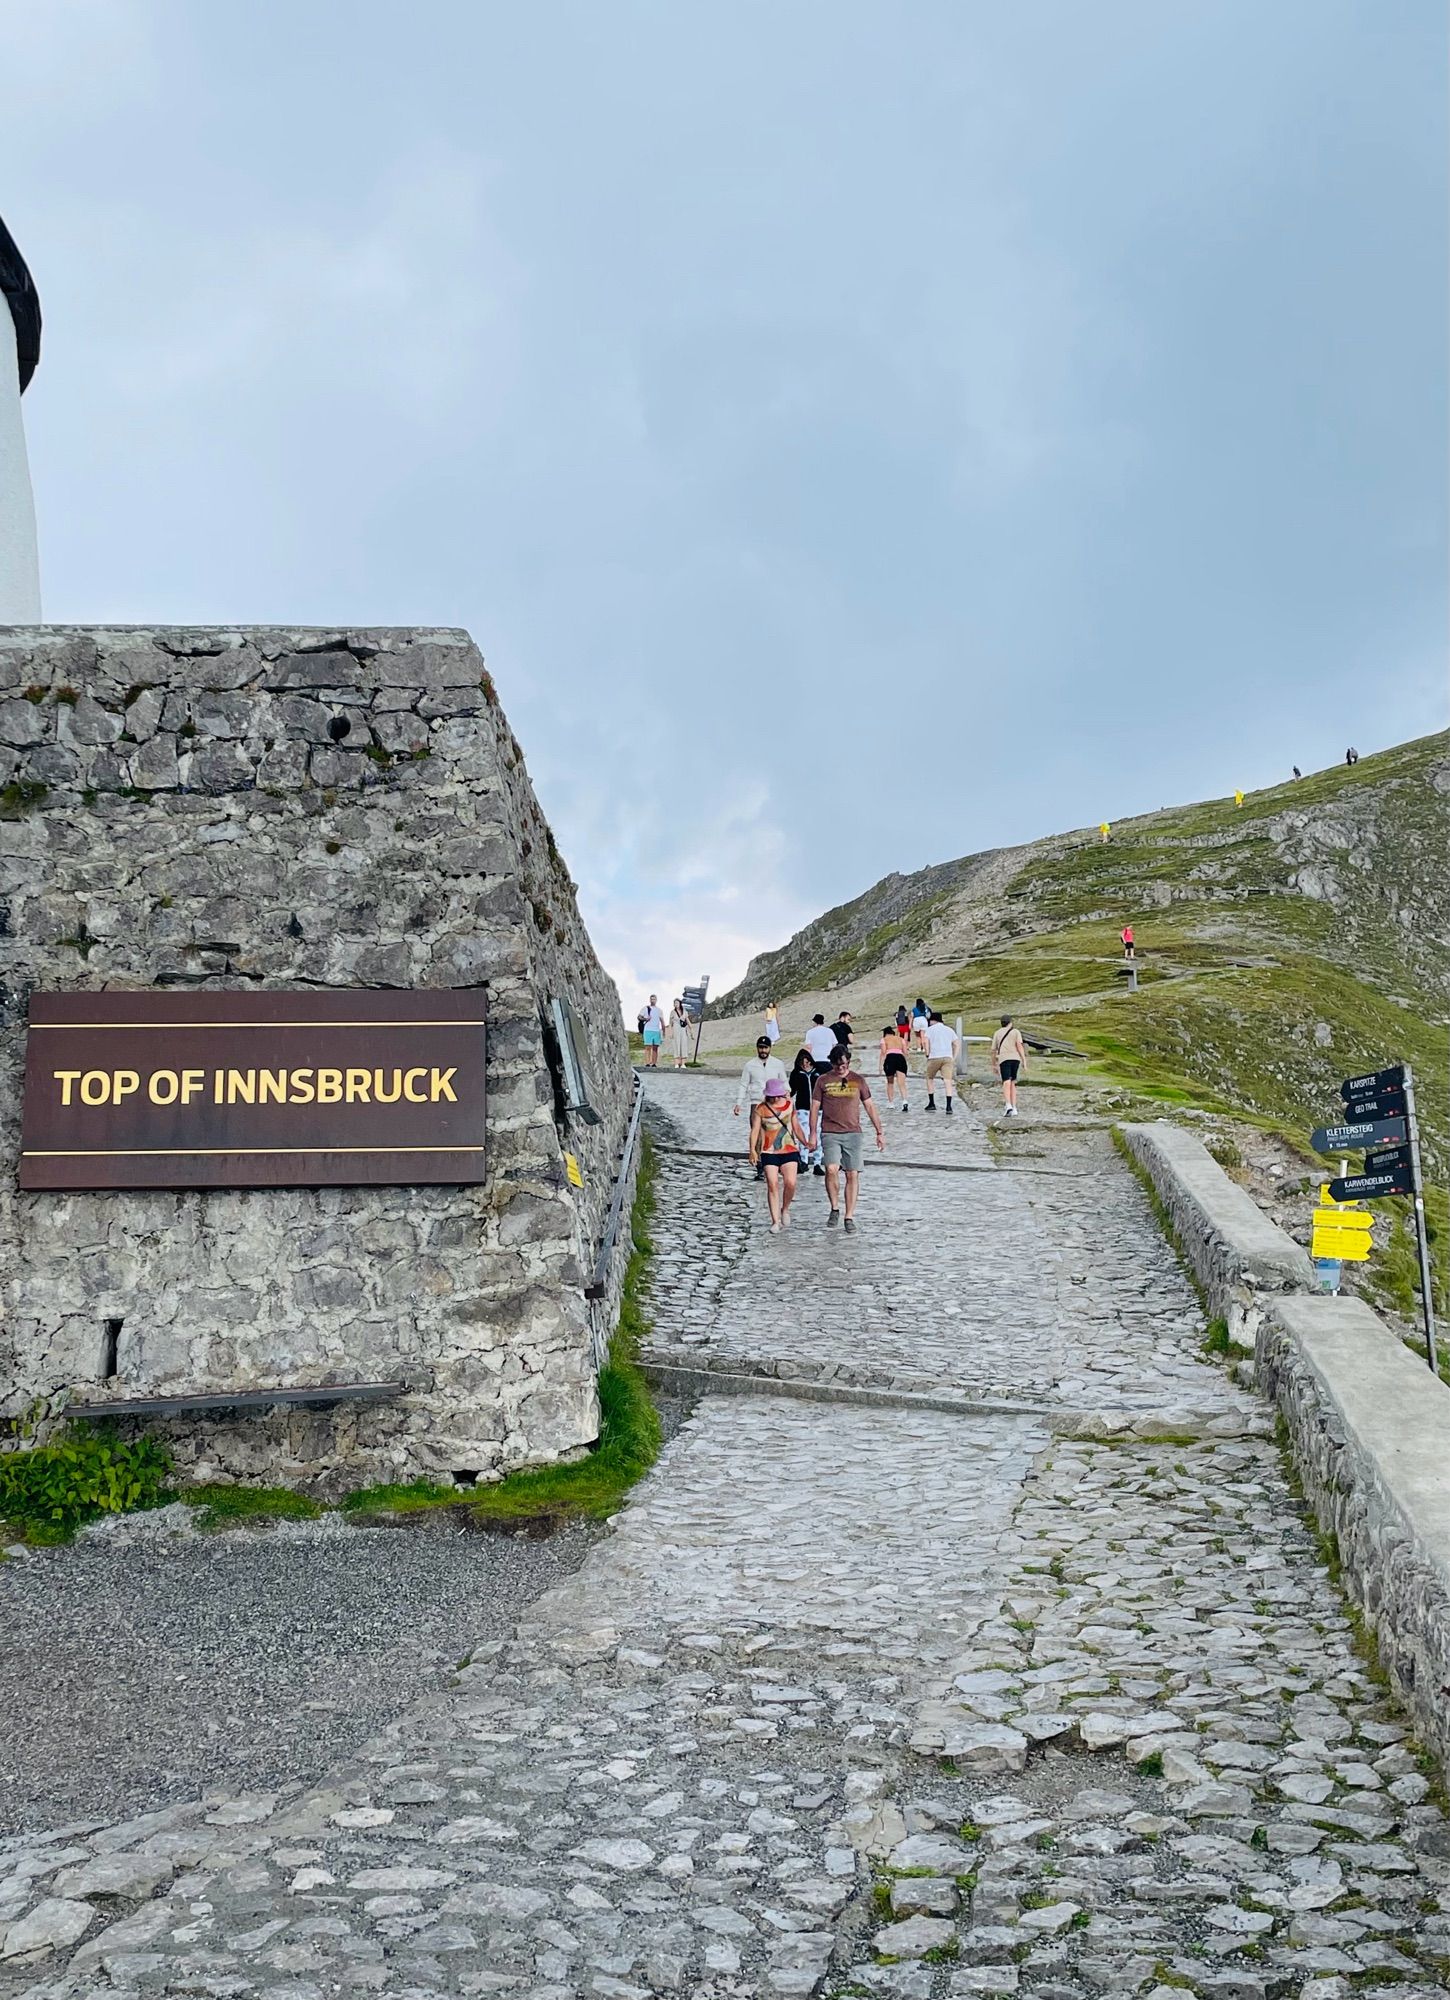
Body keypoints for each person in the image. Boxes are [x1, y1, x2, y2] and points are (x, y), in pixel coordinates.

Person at [809, 1045, 885, 1232]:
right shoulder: (822, 1080)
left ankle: (849, 1216)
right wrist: (812, 1133)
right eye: (836, 1066)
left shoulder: (858, 1080)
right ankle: (835, 1207)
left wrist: (879, 1131)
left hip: (853, 1133)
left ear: (848, 1061)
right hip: (830, 1131)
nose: (840, 1069)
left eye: (843, 1065)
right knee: (831, 1169)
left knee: (852, 1174)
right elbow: (814, 1108)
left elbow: (869, 1106)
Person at [748, 1078, 805, 1232]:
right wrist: (752, 1149)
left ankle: (785, 1208)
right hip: (769, 1150)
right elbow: (755, 1130)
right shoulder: (761, 1109)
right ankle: (775, 1220)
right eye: (773, 1096)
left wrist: (805, 1142)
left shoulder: (789, 1106)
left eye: (778, 1095)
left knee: (790, 1182)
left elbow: (796, 1126)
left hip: (789, 1149)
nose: (776, 1098)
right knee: (772, 1184)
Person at [735, 1034, 788, 1177]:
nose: (763, 1050)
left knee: (774, 1134)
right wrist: (739, 1102)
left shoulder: (777, 1064)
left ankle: (774, 1162)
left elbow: (784, 1082)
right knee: (757, 1134)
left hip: (773, 1103)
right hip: (757, 1102)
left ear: (770, 1048)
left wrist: (787, 1098)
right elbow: (744, 1084)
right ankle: (759, 1164)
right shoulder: (750, 1065)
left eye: (765, 1048)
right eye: (760, 1048)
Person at [787, 1046, 824, 1175]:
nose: (805, 1064)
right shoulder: (796, 1074)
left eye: (807, 1061)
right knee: (803, 1134)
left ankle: (817, 1163)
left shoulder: (818, 1072)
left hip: (818, 1108)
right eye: (802, 1062)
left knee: (818, 1135)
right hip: (802, 1108)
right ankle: (803, 1160)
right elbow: (791, 1090)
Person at [923, 1011, 960, 1114]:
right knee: (947, 1081)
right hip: (947, 1057)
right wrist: (954, 1057)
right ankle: (948, 1106)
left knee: (930, 1078)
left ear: (933, 1020)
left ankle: (932, 1103)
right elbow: (957, 1043)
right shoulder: (949, 1030)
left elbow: (925, 1042)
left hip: (934, 1056)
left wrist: (927, 1053)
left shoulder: (929, 1030)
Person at [991, 1014, 1027, 1117]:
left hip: (1004, 1059)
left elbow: (993, 1050)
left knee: (1006, 1082)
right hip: (1015, 1059)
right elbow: (1019, 1045)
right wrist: (1024, 1060)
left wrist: (993, 1064)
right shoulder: (1016, 1032)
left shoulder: (997, 1033)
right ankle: (1014, 1107)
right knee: (1012, 1083)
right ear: (1010, 1023)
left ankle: (1008, 1105)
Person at [878, 1023, 911, 1112]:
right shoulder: (901, 1039)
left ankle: (891, 1102)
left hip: (890, 1058)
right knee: (902, 1083)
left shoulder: (884, 1039)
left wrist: (880, 1066)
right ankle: (904, 1100)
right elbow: (905, 1052)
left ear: (885, 1033)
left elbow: (883, 1052)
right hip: (900, 1058)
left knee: (890, 1082)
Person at [640, 994, 665, 1069]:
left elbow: (662, 1021)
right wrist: (645, 1019)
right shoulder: (645, 1008)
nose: (652, 1000)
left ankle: (654, 1063)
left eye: (654, 999)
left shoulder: (659, 1010)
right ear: (649, 1000)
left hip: (656, 1030)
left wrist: (664, 1031)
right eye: (651, 999)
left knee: (655, 1048)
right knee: (648, 1047)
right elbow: (639, 1017)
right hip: (648, 1030)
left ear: (656, 1000)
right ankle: (647, 1063)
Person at [669, 997, 691, 1069]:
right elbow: (670, 1023)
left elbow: (688, 1021)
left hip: (683, 1030)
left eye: (677, 1003)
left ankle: (683, 1063)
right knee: (676, 1045)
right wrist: (670, 1032)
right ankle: (676, 1063)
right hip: (676, 1030)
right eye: (674, 1003)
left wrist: (691, 1030)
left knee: (683, 1045)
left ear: (680, 1003)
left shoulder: (684, 1011)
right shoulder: (672, 1012)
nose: (676, 1004)